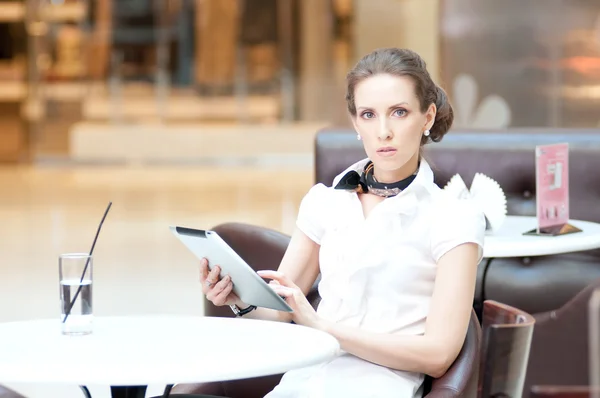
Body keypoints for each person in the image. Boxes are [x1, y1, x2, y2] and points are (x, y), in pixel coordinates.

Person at [200, 48, 486, 398]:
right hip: (300, 384)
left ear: (427, 118)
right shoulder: (325, 201)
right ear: (355, 122)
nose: (383, 131)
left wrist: (323, 327)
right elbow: (278, 316)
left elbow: (439, 356)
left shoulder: (453, 216)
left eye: (399, 112)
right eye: (368, 114)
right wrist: (239, 300)